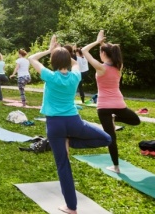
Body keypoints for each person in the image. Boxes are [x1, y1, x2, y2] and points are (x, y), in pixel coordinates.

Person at [29, 35, 111, 214]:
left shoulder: (49, 76)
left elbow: (32, 58)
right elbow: (74, 64)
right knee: (107, 139)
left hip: (55, 126)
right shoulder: (76, 76)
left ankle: (71, 207)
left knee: (63, 166)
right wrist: (65, 54)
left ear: (53, 62)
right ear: (68, 60)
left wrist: (50, 51)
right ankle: (72, 142)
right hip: (74, 122)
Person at [81, 30, 140, 173]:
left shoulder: (100, 67)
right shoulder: (119, 66)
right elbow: (111, 53)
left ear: (103, 54)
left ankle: (116, 167)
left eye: (101, 52)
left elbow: (83, 50)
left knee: (111, 137)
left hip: (104, 107)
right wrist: (102, 43)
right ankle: (116, 118)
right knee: (136, 120)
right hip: (118, 104)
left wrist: (97, 41)